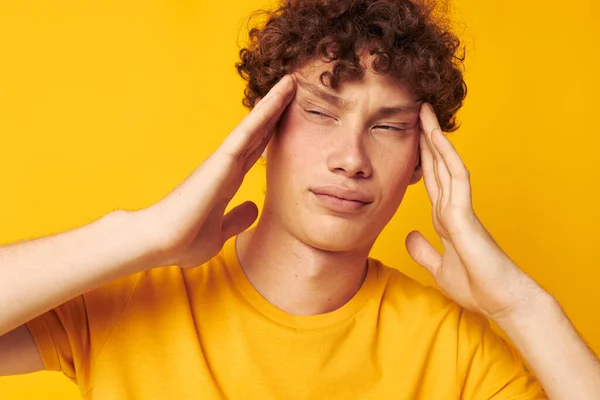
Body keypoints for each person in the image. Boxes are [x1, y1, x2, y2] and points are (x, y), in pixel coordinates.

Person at [0, 0, 598, 398]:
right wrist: (144, 235)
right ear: (265, 127)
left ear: (423, 158)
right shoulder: (127, 298)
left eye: (388, 127)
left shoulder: (459, 355)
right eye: (318, 112)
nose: (351, 158)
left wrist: (521, 307)